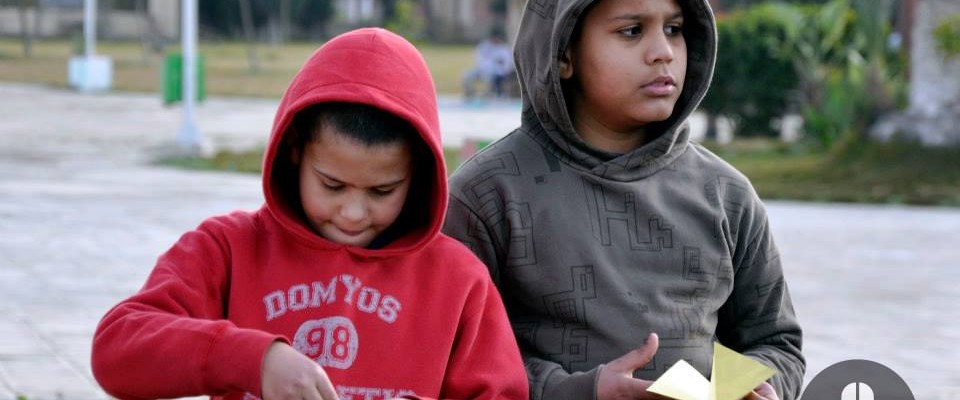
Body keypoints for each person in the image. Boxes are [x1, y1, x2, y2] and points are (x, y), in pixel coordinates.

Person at [91, 28, 528, 400]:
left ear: (419, 173)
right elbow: (117, 349)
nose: (353, 214)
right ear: (295, 150)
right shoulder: (228, 248)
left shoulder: (458, 280)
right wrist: (252, 359)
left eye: (382, 191)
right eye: (331, 185)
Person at [443, 1, 804, 400]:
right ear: (564, 54)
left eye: (674, 29)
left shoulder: (727, 195)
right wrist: (581, 391)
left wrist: (758, 388)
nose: (663, 52)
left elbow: (775, 342)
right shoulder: (486, 195)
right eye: (632, 31)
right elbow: (449, 355)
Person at [461, 27, 515, 99]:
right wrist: (492, 63)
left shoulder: (504, 49)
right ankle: (469, 94)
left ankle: (489, 95)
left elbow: (508, 65)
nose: (496, 39)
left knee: (490, 79)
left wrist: (499, 68)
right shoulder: (484, 46)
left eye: (498, 37)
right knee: (467, 75)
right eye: (495, 37)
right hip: (482, 70)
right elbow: (479, 60)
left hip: (497, 73)